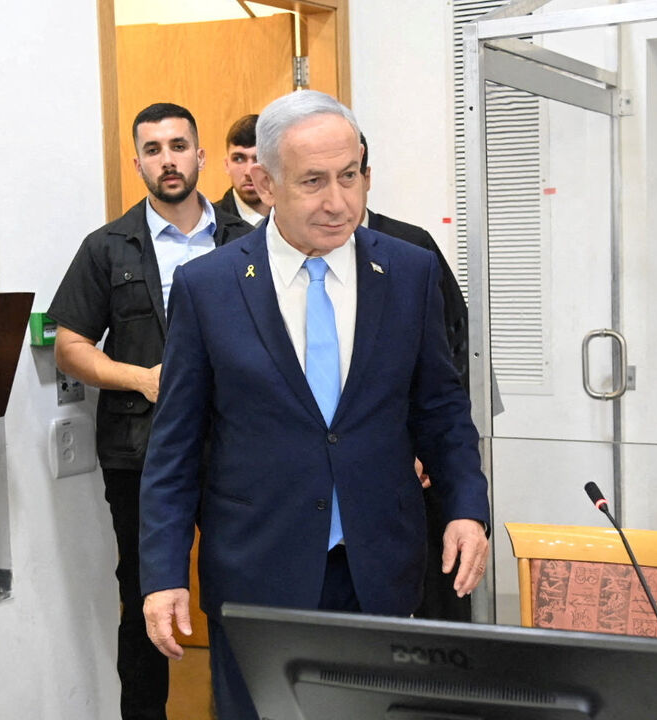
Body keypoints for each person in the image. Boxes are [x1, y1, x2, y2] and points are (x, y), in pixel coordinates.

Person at [139, 90, 491, 720]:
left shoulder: (409, 272)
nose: (339, 202)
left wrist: (466, 507)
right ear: (265, 184)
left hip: (378, 564)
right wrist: (164, 573)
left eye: (350, 176)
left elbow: (441, 408)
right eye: (313, 182)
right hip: (258, 569)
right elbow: (175, 446)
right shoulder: (208, 286)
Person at [47, 102, 251, 720]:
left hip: (240, 452)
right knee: (144, 596)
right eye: (153, 149)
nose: (168, 160)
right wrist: (141, 378)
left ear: (200, 156)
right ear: (136, 162)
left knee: (242, 594)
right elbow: (69, 345)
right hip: (141, 453)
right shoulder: (107, 248)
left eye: (178, 146)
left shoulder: (248, 242)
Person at [357, 132, 472, 622]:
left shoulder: (411, 247)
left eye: (349, 174)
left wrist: (427, 446)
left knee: (431, 595)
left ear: (366, 177)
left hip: (417, 459)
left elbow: (454, 350)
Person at [212, 114, 268, 227]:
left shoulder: (297, 217)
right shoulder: (209, 224)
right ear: (227, 165)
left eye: (258, 159)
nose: (248, 172)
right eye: (238, 159)